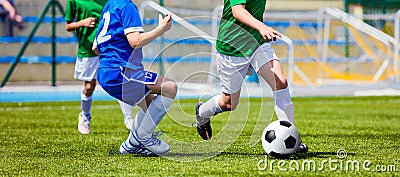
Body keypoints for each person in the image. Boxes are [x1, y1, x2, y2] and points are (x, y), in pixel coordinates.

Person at [195, 0, 308, 153]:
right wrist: (261, 26)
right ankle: (202, 112)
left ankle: (292, 137)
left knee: (280, 82)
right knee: (229, 103)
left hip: (257, 43)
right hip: (232, 48)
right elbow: (237, 10)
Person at [93, 0, 176, 155]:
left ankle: (130, 145)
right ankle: (144, 137)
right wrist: (161, 29)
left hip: (107, 71)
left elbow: (95, 47)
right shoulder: (127, 5)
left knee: (149, 102)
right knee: (170, 87)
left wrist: (111, 61)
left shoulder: (110, 6)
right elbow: (135, 41)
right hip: (121, 72)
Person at [65, 0, 134, 134]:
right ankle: (85, 116)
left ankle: (129, 119)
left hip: (110, 49)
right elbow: (68, 26)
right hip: (88, 50)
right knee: (89, 86)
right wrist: (82, 23)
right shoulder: (74, 1)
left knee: (120, 82)